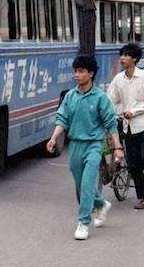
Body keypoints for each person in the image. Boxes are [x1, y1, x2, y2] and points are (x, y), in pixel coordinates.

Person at [46, 55, 122, 241]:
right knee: (81, 187)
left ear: (91, 73)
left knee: (88, 183)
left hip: (94, 145)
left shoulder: (100, 98)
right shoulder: (70, 96)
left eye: (81, 71)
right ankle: (101, 204)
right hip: (75, 145)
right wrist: (54, 138)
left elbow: (111, 123)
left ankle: (83, 223)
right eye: (76, 71)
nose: (77, 75)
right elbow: (62, 119)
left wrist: (117, 147)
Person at [107, 43, 144, 209]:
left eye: (126, 55)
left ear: (134, 58)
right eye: (121, 55)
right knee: (133, 165)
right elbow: (111, 100)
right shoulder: (118, 79)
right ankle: (143, 198)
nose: (122, 58)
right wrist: (117, 112)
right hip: (127, 128)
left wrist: (133, 111)